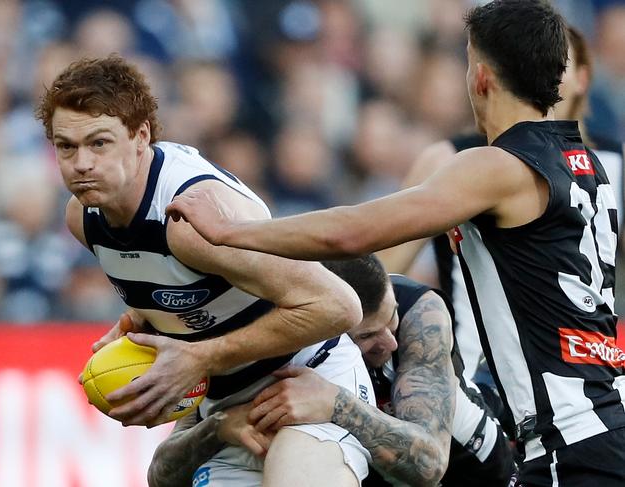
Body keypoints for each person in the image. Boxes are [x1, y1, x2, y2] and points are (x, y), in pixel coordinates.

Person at [165, 1, 625, 485]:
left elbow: (353, 233)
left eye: (466, 61)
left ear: (482, 76)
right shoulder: (586, 163)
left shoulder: (496, 166)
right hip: (598, 422)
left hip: (567, 441)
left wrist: (231, 233)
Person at [35, 55, 377, 487]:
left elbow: (338, 306)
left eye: (99, 143)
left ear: (141, 136)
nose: (81, 162)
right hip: (228, 410)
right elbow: (193, 294)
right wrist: (143, 327)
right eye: (66, 146)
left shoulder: (188, 219)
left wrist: (199, 357)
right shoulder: (83, 218)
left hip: (310, 385)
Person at [377, 25, 625, 383]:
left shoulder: (613, 165)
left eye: (557, 58)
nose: (540, 66)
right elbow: (384, 270)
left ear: (583, 78)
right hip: (480, 376)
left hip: (594, 376)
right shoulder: (448, 158)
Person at [149, 255, 515, 487]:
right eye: (368, 336)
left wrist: (335, 403)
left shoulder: (419, 312)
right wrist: (220, 427)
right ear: (320, 330)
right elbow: (160, 475)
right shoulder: (270, 340)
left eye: (391, 320)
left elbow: (429, 464)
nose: (390, 343)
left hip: (479, 470)